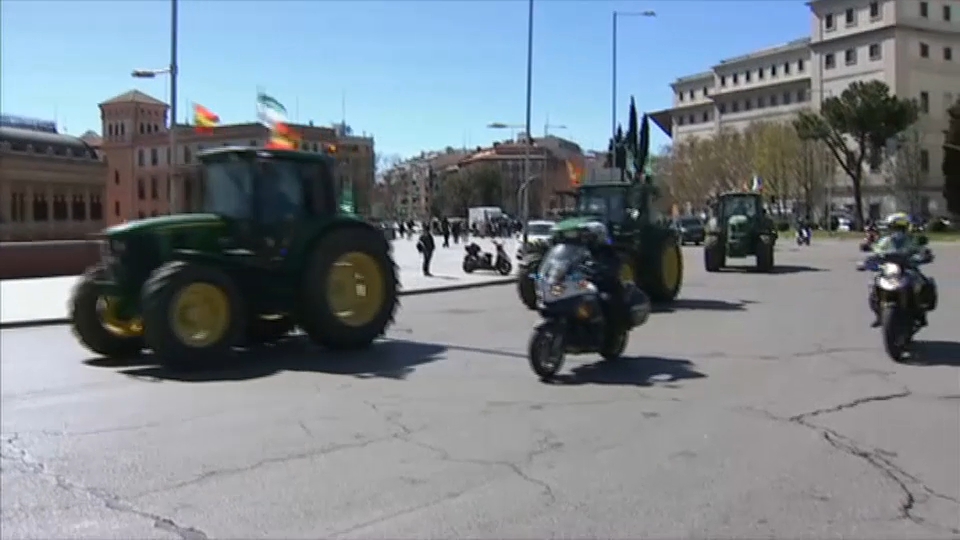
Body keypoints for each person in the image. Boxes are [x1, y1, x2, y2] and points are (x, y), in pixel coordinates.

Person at [863, 212, 934, 328]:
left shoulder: (912, 240)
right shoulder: (885, 241)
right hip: (890, 269)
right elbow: (876, 251)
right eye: (894, 228)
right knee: (873, 284)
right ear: (890, 228)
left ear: (906, 227)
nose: (897, 231)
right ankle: (879, 314)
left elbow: (921, 250)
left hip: (908, 267)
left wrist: (924, 255)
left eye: (900, 228)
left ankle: (921, 313)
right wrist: (868, 260)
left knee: (922, 282)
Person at [581, 221, 631, 333]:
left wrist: (602, 271)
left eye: (591, 237)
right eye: (586, 237)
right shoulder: (584, 251)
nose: (587, 240)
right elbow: (571, 260)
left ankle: (610, 332)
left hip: (605, 286)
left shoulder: (608, 251)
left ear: (599, 236)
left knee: (606, 301)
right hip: (586, 284)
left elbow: (613, 265)